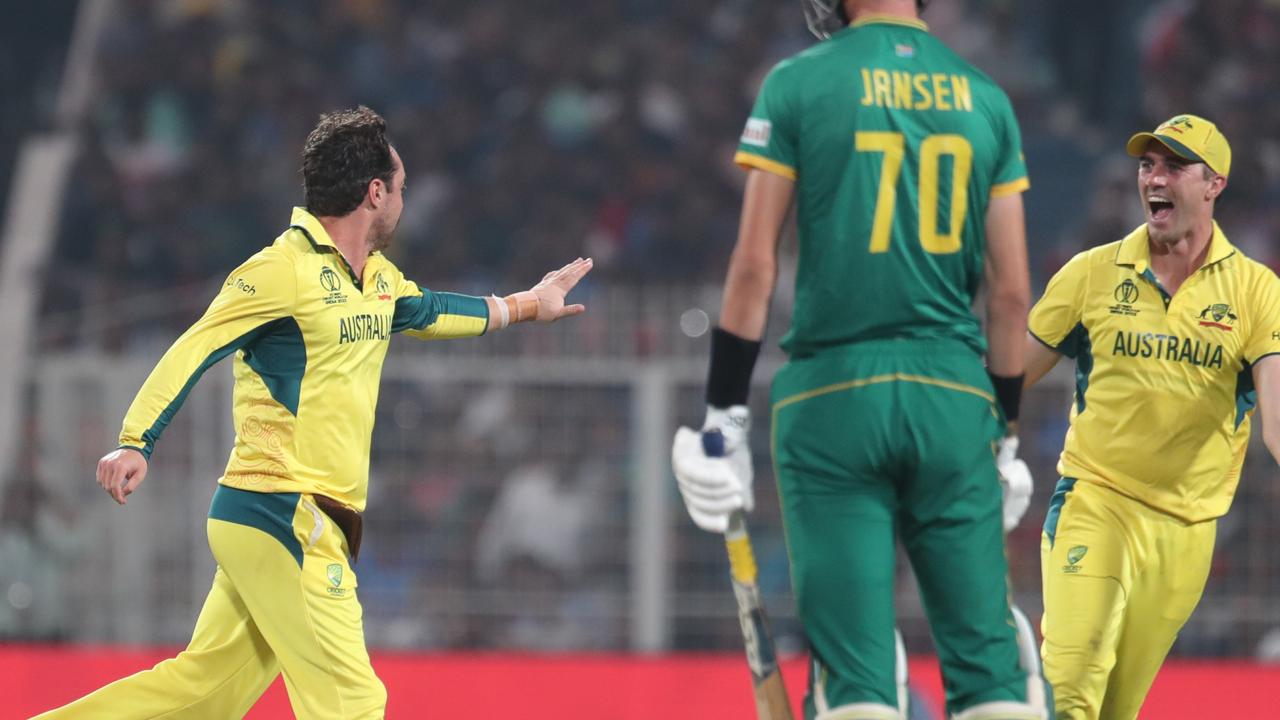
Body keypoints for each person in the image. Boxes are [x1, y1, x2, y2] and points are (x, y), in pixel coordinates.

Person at [37, 106, 592, 719]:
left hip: (289, 521)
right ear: (375, 193)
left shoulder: (378, 280)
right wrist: (137, 440)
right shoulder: (281, 271)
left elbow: (433, 311)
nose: (404, 201)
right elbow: (196, 345)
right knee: (350, 702)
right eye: (400, 188)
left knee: (202, 694)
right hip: (284, 511)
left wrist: (527, 305)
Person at [671, 1, 1049, 718]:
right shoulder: (987, 99)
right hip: (953, 393)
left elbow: (754, 267)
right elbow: (1011, 295)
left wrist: (723, 419)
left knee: (855, 678)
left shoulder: (798, 82)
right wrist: (1002, 437)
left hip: (832, 396)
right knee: (991, 670)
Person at [1026, 115, 1280, 720]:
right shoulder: (1091, 273)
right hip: (1096, 500)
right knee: (1073, 684)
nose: (1154, 178)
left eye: (1173, 166)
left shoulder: (1256, 292)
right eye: (1147, 165)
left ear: (1214, 183)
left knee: (1116, 709)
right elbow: (1005, 376)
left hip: (1186, 530)